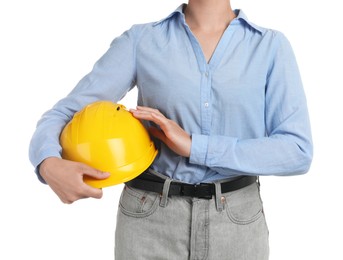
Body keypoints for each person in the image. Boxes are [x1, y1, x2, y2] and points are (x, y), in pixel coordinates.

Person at [29, 0, 313, 259]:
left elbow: (297, 151)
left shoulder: (271, 46)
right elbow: (66, 113)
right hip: (149, 219)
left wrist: (193, 145)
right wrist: (47, 162)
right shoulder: (142, 41)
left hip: (237, 223)